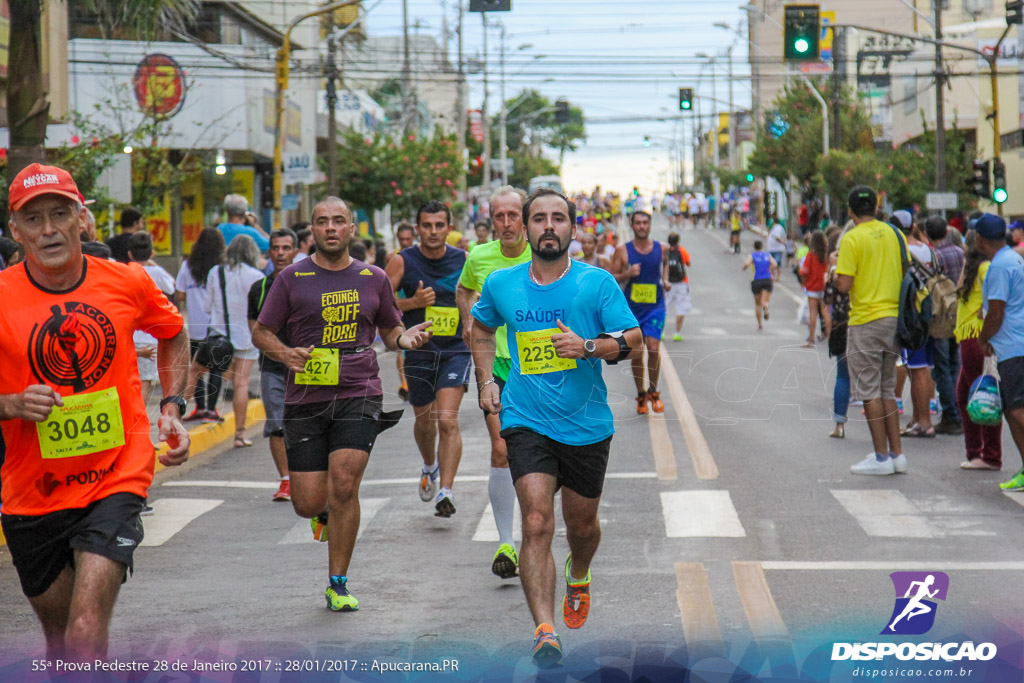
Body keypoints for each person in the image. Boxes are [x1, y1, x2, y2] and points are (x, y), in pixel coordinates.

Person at [0, 163, 191, 659]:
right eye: (34, 218)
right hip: (33, 492)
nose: (49, 229)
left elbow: (173, 333)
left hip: (115, 476)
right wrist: (13, 403)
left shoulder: (128, 282)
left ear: (82, 219)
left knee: (86, 628)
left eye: (60, 214)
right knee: (64, 642)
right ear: (15, 231)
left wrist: (172, 406)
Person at [470, 188, 641, 669]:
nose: (549, 225)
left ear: (572, 228)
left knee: (581, 526)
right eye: (539, 218)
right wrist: (487, 380)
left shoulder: (596, 283)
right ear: (525, 229)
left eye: (558, 218)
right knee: (537, 521)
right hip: (526, 420)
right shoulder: (503, 284)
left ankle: (580, 572)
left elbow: (633, 339)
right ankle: (545, 630)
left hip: (586, 424)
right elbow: (479, 329)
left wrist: (588, 347)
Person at [253, 196, 431, 612]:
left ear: (352, 229)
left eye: (338, 221)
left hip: (359, 389)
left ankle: (338, 582)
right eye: (322, 222)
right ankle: (322, 514)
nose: (330, 228)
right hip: (306, 397)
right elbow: (263, 332)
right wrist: (284, 355)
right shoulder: (292, 278)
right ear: (311, 231)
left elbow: (390, 329)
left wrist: (403, 339)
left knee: (345, 486)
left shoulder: (372, 278)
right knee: (308, 502)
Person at [456, 185, 532, 579]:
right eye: (498, 216)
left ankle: (539, 531)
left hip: (542, 367)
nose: (505, 223)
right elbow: (464, 288)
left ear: (525, 216)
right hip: (498, 367)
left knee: (547, 456)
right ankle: (506, 542)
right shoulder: (480, 256)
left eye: (512, 215)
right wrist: (470, 322)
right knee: (501, 448)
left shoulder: (547, 253)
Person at [386, 200, 471, 517]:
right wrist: (413, 302)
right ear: (417, 228)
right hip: (419, 351)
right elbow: (381, 304)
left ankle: (445, 492)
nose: (433, 232)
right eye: (427, 226)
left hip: (455, 351)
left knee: (448, 420)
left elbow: (476, 297)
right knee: (425, 423)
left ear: (450, 227)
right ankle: (429, 465)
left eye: (439, 225)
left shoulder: (464, 259)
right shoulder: (402, 261)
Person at [835, 186, 908, 475]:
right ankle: (897, 454)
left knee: (869, 391)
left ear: (851, 211)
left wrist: (834, 273)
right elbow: (905, 269)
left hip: (865, 319)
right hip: (894, 319)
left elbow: (844, 284)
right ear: (877, 208)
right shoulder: (895, 233)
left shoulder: (851, 238)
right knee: (887, 388)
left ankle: (880, 458)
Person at [975, 214, 1024, 491]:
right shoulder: (1013, 259)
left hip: (1013, 346)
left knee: (1017, 409)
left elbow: (996, 311)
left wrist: (983, 337)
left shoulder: (1000, 267)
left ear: (981, 239)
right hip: (1012, 345)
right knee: (1010, 409)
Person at [247, 228, 297, 501]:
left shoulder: (308, 284)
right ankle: (286, 480)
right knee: (277, 424)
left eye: (286, 248)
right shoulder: (259, 289)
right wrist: (283, 354)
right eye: (276, 248)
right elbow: (255, 331)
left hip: (308, 369)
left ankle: (309, 475)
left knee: (308, 423)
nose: (280, 253)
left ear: (295, 251)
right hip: (273, 368)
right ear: (269, 252)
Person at [205, 234, 265, 448]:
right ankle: (239, 434)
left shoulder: (216, 272)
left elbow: (207, 306)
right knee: (242, 384)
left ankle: (208, 411)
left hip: (220, 336)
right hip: (247, 337)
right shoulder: (256, 276)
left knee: (216, 374)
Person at [612, 211, 669, 415]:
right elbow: (612, 277)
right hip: (632, 309)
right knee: (638, 352)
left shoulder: (662, 249)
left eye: (645, 223)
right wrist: (627, 273)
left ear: (650, 225)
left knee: (653, 348)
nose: (642, 226)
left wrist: (666, 280)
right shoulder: (622, 251)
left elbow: (665, 268)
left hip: (655, 306)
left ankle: (654, 392)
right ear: (632, 225)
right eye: (638, 223)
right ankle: (641, 394)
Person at [955, 232, 1001, 469]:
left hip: (976, 336)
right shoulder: (975, 267)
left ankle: (989, 455)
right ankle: (976, 452)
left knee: (983, 395)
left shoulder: (984, 268)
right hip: (970, 337)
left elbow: (995, 299)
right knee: (965, 394)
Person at [893, 211, 936, 438]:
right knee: (920, 367)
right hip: (927, 310)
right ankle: (917, 417)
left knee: (917, 369)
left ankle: (925, 422)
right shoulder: (926, 248)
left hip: (912, 314)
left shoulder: (903, 251)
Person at [176, 228, 226, 422]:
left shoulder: (188, 265)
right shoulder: (222, 266)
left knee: (195, 369)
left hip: (196, 326)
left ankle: (200, 407)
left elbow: (180, 294)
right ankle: (212, 410)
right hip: (217, 325)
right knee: (216, 368)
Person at [927, 215, 965, 435]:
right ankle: (959, 410)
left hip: (941, 317)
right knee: (955, 365)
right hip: (959, 314)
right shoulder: (961, 253)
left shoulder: (934, 256)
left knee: (942, 368)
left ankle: (951, 415)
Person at [127, 232, 176, 404]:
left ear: (130, 254)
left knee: (130, 381)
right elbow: (172, 286)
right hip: (149, 338)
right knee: (145, 382)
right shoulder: (157, 272)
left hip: (129, 336)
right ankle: (139, 418)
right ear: (152, 253)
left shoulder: (124, 271)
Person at [800, 230, 831, 348]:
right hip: (824, 286)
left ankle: (811, 339)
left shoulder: (811, 254)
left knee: (813, 313)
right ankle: (830, 338)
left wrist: (803, 282)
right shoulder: (826, 255)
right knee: (826, 313)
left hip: (812, 287)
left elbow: (805, 270)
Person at [742, 240, 778, 331]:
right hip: (767, 279)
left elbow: (746, 264)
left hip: (756, 280)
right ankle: (766, 307)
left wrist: (744, 268)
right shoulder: (767, 255)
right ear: (762, 246)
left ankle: (760, 324)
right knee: (765, 299)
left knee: (758, 304)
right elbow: (775, 264)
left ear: (754, 247)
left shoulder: (752, 255)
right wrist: (770, 269)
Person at [664, 232, 692, 342]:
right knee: (681, 307)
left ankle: (661, 332)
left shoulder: (665, 251)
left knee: (665, 306)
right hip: (681, 282)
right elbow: (688, 263)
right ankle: (677, 333)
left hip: (668, 282)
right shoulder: (682, 251)